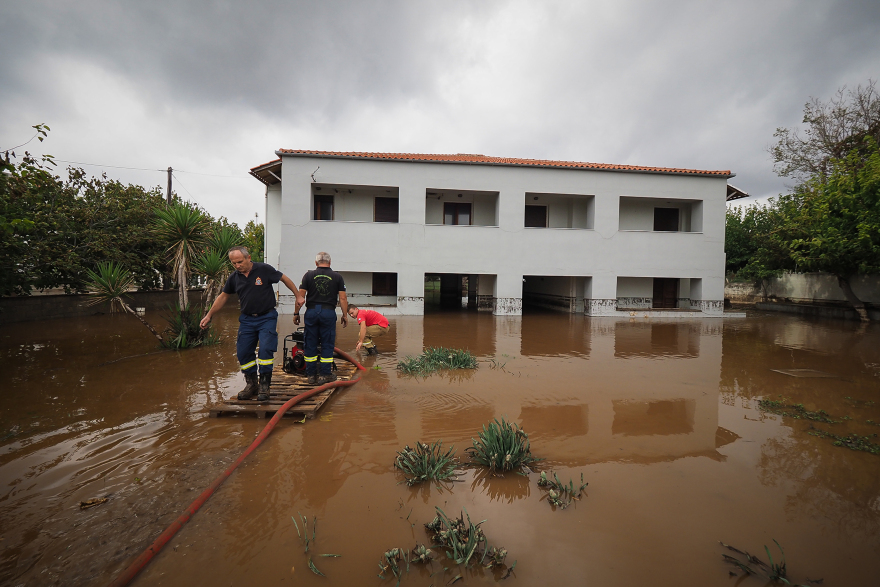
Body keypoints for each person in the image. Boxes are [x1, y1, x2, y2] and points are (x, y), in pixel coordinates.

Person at [200, 246, 302, 402]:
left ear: (248, 258)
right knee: (243, 352)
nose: (237, 265)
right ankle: (252, 384)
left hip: (266, 317)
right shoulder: (234, 277)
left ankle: (264, 385)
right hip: (247, 320)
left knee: (266, 350)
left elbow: (284, 278)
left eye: (240, 262)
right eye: (234, 263)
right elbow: (223, 296)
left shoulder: (264, 269)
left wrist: (297, 296)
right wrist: (209, 315)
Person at [294, 252, 348, 385]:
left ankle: (311, 375)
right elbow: (343, 298)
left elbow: (300, 297)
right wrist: (345, 315)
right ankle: (324, 375)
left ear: (316, 263)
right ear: (330, 262)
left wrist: (296, 313)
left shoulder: (308, 275)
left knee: (310, 343)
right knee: (327, 343)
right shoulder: (337, 277)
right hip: (328, 312)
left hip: (311, 312)